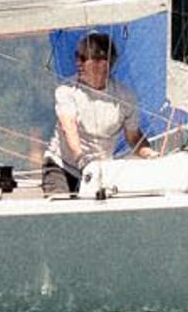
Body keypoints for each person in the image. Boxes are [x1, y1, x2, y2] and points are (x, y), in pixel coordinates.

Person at [41, 32, 151, 196]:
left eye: (85, 58)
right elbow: (69, 127)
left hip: (101, 171)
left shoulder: (126, 96)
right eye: (78, 57)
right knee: (60, 209)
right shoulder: (66, 91)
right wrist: (81, 158)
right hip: (63, 167)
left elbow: (134, 138)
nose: (78, 63)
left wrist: (150, 154)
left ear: (106, 63)